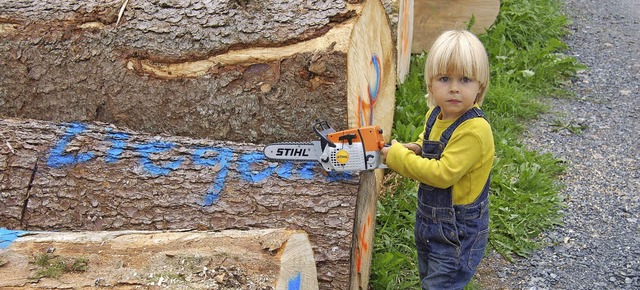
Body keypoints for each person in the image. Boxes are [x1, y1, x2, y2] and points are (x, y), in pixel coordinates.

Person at [380, 30, 494, 290]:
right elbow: (431, 143)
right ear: (431, 84)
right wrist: (416, 149)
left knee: (442, 283)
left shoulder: (474, 130)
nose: (454, 87)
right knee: (430, 276)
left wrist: (399, 159)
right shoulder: (436, 114)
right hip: (430, 222)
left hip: (458, 229)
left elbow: (443, 174)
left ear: (480, 86)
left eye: (465, 79)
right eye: (444, 78)